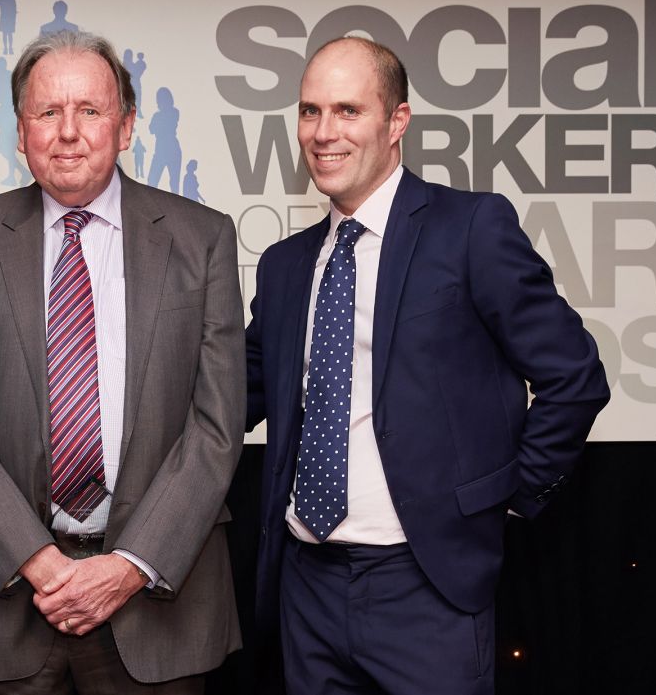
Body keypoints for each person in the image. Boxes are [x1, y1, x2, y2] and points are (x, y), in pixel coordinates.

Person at [244, 36, 610, 695]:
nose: (323, 132)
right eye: (309, 111)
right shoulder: (284, 266)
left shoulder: (470, 227)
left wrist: (511, 497)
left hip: (428, 586)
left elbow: (574, 375)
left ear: (397, 122)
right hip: (308, 588)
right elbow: (232, 397)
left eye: (348, 110)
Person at [0, 29, 244, 694]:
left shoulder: (201, 238)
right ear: (19, 130)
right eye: (46, 112)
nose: (68, 132)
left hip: (154, 607)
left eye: (89, 111)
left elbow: (215, 426)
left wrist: (126, 565)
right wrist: (42, 563)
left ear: (125, 128)